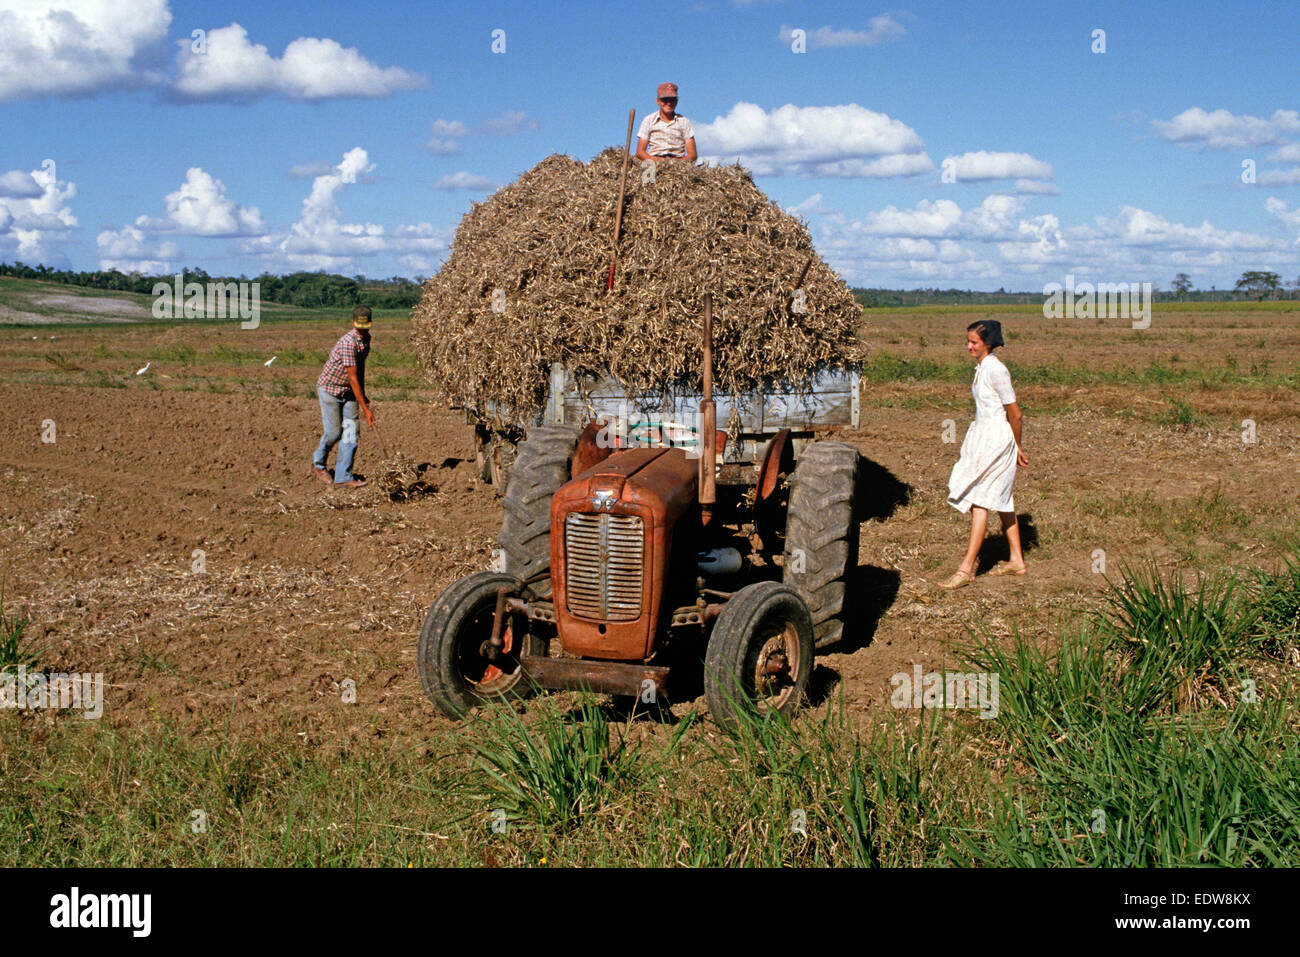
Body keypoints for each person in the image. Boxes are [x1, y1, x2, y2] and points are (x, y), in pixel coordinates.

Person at [940, 320, 1029, 588]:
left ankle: (966, 568)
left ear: (987, 344)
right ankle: (1017, 561)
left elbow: (1016, 414)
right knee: (1003, 500)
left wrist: (1016, 446)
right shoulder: (982, 368)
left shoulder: (997, 371)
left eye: (973, 342)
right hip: (983, 436)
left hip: (997, 441)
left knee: (980, 500)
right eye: (967, 341)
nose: (968, 346)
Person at [313, 305, 376, 488]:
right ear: (353, 323)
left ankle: (343, 477)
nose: (363, 330)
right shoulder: (348, 343)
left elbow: (360, 370)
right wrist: (365, 408)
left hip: (349, 392)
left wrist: (363, 396)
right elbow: (352, 376)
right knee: (334, 433)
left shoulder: (366, 340)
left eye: (365, 327)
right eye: (360, 327)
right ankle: (319, 463)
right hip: (330, 390)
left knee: (351, 433)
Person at [636, 82, 697, 163]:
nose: (669, 103)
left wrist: (676, 163)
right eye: (665, 100)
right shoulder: (648, 120)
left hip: (678, 163)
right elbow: (640, 152)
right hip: (654, 162)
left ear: (676, 101)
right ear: (658, 101)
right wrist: (658, 161)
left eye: (672, 100)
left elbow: (692, 154)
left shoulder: (684, 122)